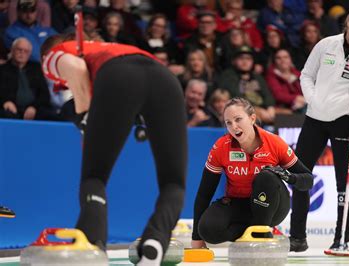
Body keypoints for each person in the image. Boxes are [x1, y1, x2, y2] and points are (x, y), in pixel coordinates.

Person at [40, 35, 187, 265]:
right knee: (174, 183)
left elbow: (76, 68)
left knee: (94, 177)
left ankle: (92, 247)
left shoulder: (53, 54)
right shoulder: (110, 46)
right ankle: (155, 241)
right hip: (165, 79)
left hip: (120, 76)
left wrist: (84, 119)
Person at [289, 4, 349, 253]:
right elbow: (306, 75)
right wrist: (313, 99)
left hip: (345, 119)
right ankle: (297, 237)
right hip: (315, 119)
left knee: (344, 182)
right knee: (301, 176)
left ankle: (342, 238)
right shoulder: (325, 44)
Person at [191, 97, 313, 247]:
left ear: (252, 118)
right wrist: (197, 238)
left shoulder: (274, 143)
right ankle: (260, 233)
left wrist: (287, 176)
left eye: (238, 119)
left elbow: (308, 180)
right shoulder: (221, 147)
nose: (234, 127)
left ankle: (261, 230)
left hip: (273, 206)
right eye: (228, 123)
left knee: (266, 176)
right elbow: (204, 193)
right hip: (239, 204)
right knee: (207, 230)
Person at [0, 37, 54, 120]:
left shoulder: (36, 68)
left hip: (34, 109)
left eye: (26, 51)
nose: (22, 53)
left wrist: (34, 107)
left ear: (29, 54)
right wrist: (5, 102)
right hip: (10, 109)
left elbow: (44, 95)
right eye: (19, 50)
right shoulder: (2, 69)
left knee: (51, 116)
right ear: (12, 50)